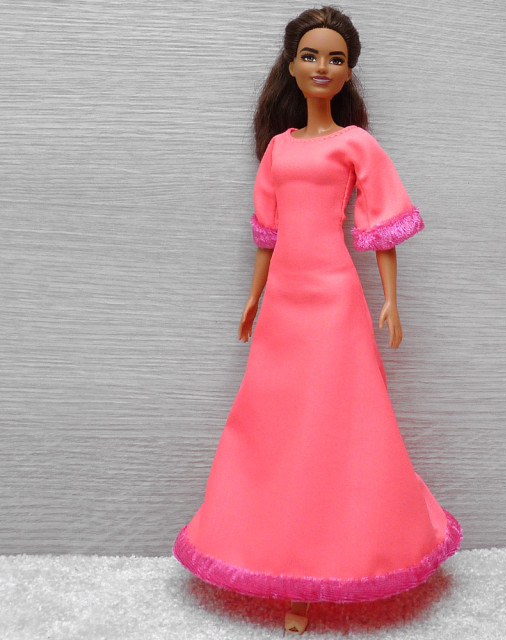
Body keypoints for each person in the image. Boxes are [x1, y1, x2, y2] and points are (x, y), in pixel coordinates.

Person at [173, 6, 462, 634]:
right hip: (284, 302)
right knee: (274, 422)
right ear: (291, 66)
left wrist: (390, 299)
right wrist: (253, 297)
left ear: (349, 70)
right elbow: (268, 233)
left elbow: (381, 224)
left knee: (343, 422)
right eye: (310, 56)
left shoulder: (356, 144)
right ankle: (283, 560)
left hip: (334, 297)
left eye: (335, 58)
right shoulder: (279, 148)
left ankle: (345, 557)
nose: (322, 67)